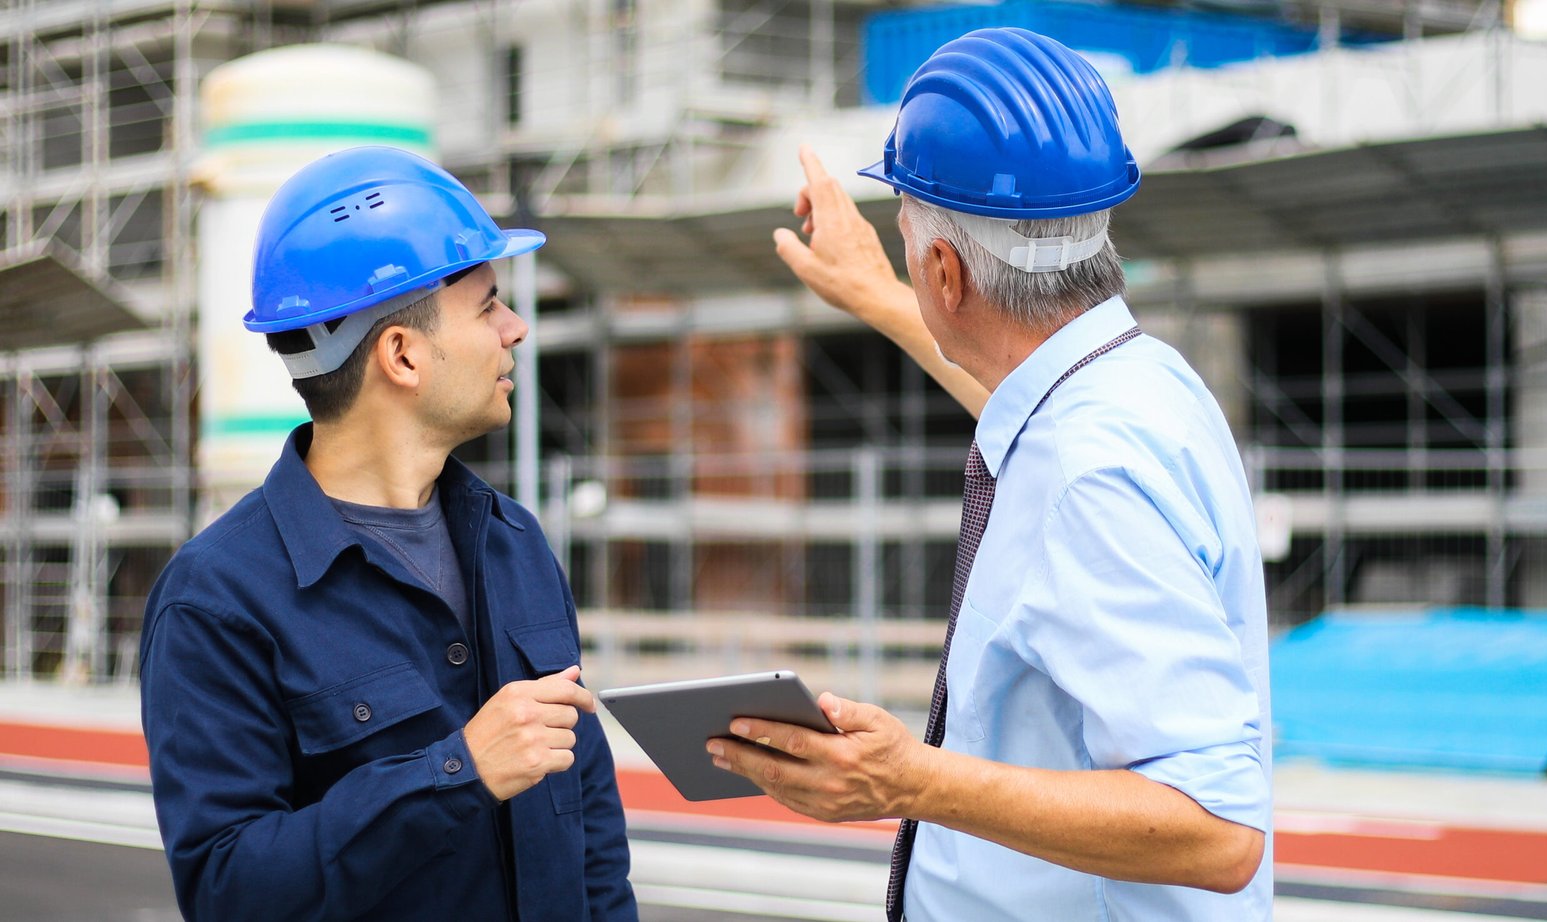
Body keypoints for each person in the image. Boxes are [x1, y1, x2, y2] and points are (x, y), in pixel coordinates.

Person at [707, 28, 1272, 921]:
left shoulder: (1089, 472)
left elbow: (1216, 827)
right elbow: (1018, 398)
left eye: (908, 239)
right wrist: (869, 292)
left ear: (944, 268)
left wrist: (911, 780)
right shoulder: (1131, 381)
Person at [139, 146, 636, 922]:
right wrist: (456, 771)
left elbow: (592, 829)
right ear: (402, 354)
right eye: (488, 304)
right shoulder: (217, 600)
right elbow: (228, 889)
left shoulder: (513, 543)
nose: (517, 328)